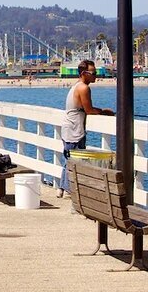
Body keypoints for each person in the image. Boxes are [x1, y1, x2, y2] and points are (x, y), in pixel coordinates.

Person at [57, 59, 114, 198]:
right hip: (74, 129)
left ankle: (62, 189)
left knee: (68, 158)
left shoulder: (76, 86)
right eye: (93, 73)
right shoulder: (84, 88)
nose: (96, 76)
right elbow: (89, 110)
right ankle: (70, 191)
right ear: (84, 73)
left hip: (69, 127)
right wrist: (103, 111)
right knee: (76, 159)